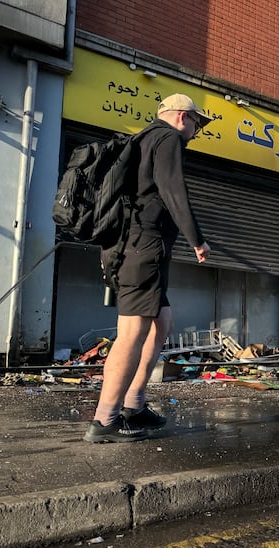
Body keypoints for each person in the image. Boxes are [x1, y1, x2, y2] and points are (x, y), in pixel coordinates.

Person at [84, 93, 213, 443]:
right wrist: (197, 239)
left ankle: (133, 403)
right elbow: (174, 190)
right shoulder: (167, 137)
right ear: (182, 117)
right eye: (197, 123)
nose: (197, 130)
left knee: (162, 321)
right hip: (144, 248)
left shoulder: (142, 139)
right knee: (130, 334)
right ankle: (105, 420)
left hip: (133, 247)